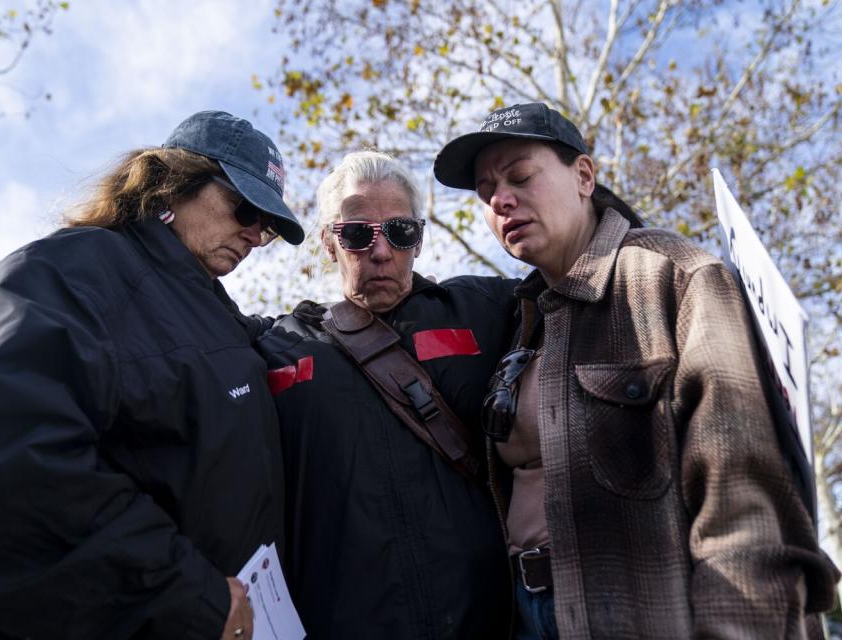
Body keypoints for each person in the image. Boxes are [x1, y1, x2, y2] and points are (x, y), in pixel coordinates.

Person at [433, 102, 840, 639]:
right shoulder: (520, 318)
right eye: (486, 193)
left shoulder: (677, 277)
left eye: (520, 176)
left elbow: (746, 499)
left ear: (583, 175)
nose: (500, 200)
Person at [0, 110, 305, 640]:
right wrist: (189, 596)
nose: (255, 235)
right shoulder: (72, 274)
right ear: (171, 181)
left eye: (268, 227)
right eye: (245, 209)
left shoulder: (212, 312)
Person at [254, 151, 516, 639]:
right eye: (357, 233)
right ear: (329, 244)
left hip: (489, 621)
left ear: (418, 239)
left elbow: (585, 273)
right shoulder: (276, 347)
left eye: (399, 232)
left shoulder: (487, 309)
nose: (380, 252)